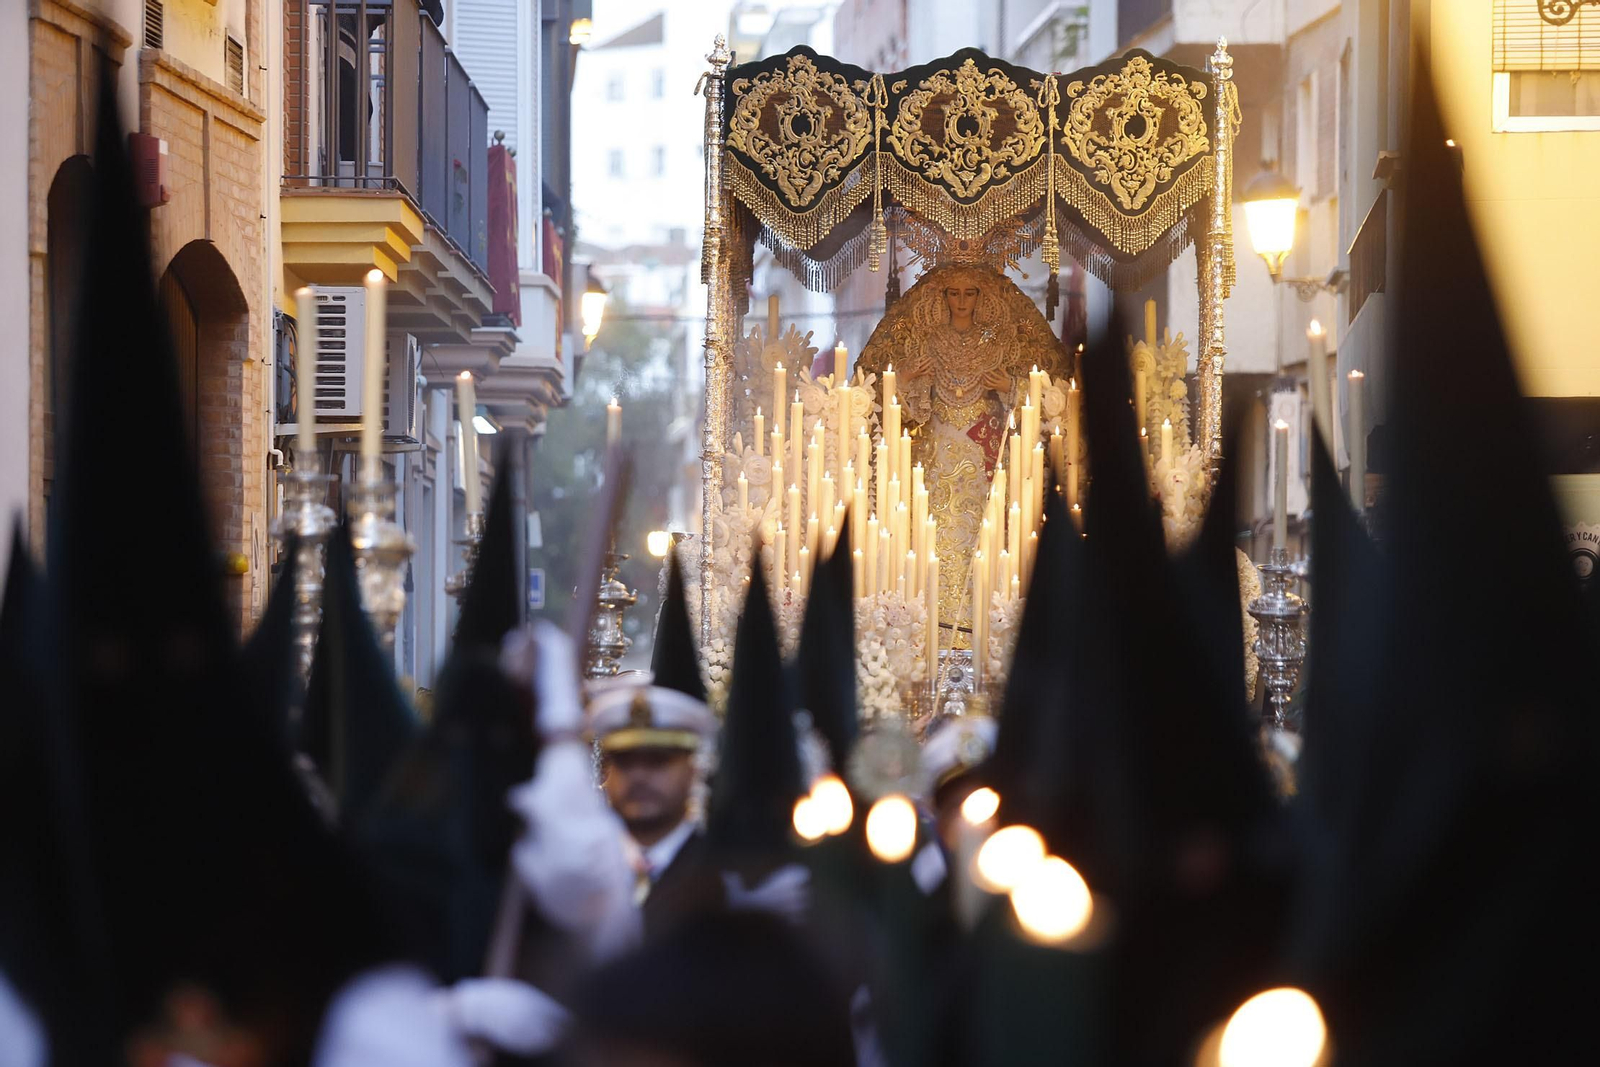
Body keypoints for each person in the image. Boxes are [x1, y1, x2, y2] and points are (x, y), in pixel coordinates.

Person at [588, 682, 718, 936]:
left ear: (692, 771)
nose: (639, 777)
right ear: (607, 773)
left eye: (658, 762)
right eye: (625, 762)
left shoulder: (722, 873)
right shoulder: (582, 872)